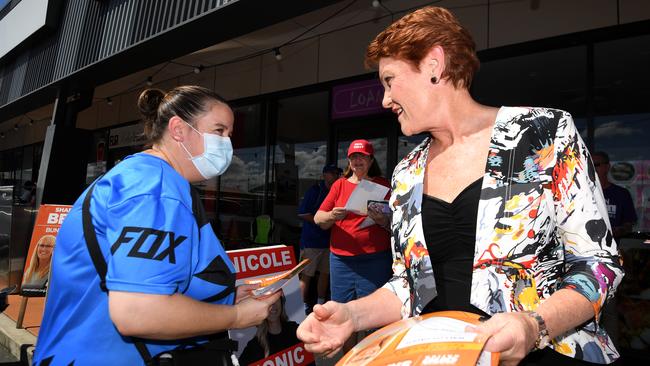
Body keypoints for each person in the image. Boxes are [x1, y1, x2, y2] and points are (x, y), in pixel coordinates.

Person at [298, 6, 624, 366]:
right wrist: (352, 316)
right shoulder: (407, 171)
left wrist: (534, 326)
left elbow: (598, 263)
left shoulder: (542, 133)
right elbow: (412, 285)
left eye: (389, 81)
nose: (385, 100)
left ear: (434, 65)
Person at [33, 86, 282, 366]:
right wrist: (238, 316)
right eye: (219, 131)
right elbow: (139, 311)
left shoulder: (145, 177)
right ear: (178, 129)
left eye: (229, 135)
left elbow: (152, 278)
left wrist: (224, 297)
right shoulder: (157, 190)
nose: (227, 144)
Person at [313, 139, 392, 351]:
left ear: (371, 160)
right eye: (353, 157)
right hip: (342, 262)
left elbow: (398, 221)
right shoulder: (339, 185)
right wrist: (331, 215)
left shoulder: (383, 185)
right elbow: (319, 219)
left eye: (362, 157)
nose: (358, 161)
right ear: (349, 161)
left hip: (375, 261)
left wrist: (383, 220)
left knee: (374, 318)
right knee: (342, 315)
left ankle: (372, 359)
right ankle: (349, 359)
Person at [298, 164, 341, 314]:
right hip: (311, 242)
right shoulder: (314, 190)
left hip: (329, 242)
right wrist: (321, 221)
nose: (334, 176)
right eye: (331, 173)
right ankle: (301, 308)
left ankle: (320, 304)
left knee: (325, 274)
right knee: (307, 275)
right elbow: (302, 213)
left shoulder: (337, 192)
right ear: (324, 175)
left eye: (337, 173)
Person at [239, 294, 311, 365]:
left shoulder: (295, 331)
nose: (272, 305)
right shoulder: (254, 346)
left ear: (281, 302)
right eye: (267, 301)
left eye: (275, 299)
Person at [592, 151, 638, 239]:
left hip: (614, 248)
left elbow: (629, 224)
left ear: (607, 167)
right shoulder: (583, 194)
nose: (593, 168)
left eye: (596, 164)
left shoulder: (622, 194)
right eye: (590, 165)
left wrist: (619, 230)